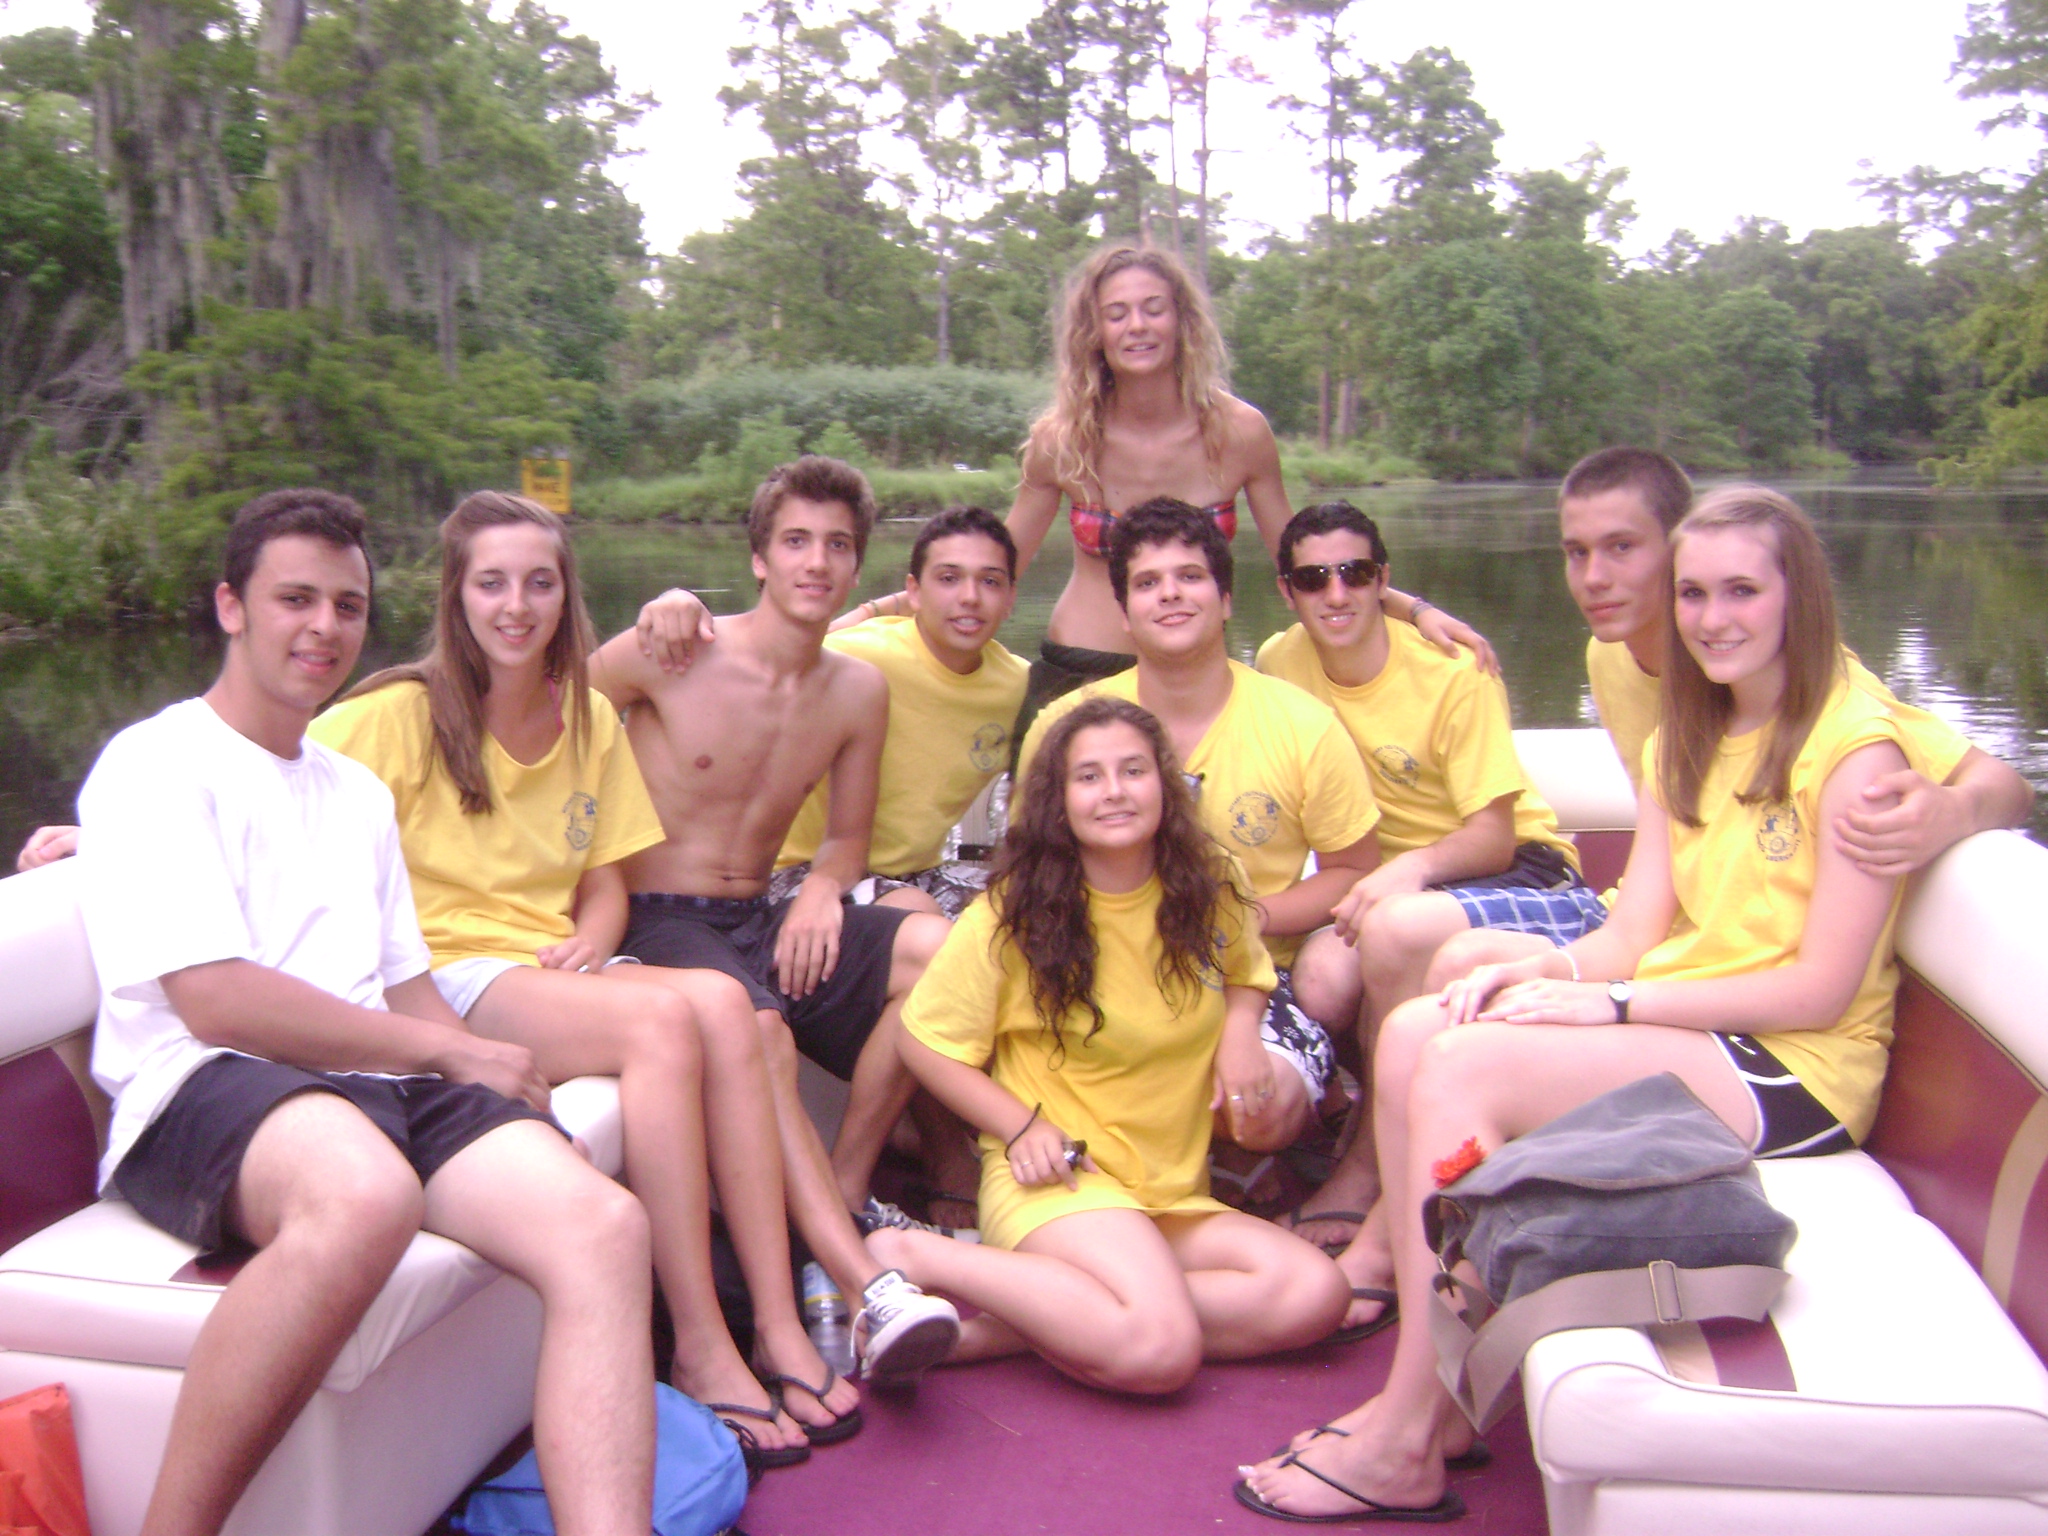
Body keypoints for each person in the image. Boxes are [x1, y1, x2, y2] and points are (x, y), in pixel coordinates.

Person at [1238, 486, 1922, 1522]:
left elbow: (1819, 987)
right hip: (1696, 1022)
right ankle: (1441, 1394)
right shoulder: (1685, 735)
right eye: (1692, 593)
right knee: (1425, 1027)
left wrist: (1611, 1006)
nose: (1711, 618)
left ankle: (1409, 1429)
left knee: (1462, 1066)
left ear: (1799, 597)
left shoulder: (1855, 751)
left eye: (1741, 591)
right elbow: (1628, 930)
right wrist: (1547, 974)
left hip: (1796, 1066)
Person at [72, 489, 654, 1536]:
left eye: (347, 606)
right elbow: (217, 1001)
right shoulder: (158, 764)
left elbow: (402, 983)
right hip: (198, 1084)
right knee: (365, 1195)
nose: (325, 627)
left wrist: (486, 1068)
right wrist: (445, 1049)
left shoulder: (353, 791)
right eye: (295, 599)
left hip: (371, 1082)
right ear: (231, 606)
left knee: (602, 1225)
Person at [307, 491, 852, 1461]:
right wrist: (103, 835)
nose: (515, 606)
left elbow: (605, 881)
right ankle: (699, 1344)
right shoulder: (396, 716)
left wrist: (595, 941)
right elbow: (266, 781)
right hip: (446, 972)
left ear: (566, 595)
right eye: (491, 584)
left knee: (726, 1006)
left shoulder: (591, 718)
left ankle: (775, 1324)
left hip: (548, 963)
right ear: (456, 596)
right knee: (660, 1025)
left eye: (538, 583)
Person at [587, 455, 962, 1382]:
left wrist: (827, 891)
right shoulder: (672, 650)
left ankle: (848, 1180)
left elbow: (847, 840)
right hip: (655, 920)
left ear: (858, 563)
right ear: (759, 558)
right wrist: (663, 602)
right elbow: (542, 728)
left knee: (945, 956)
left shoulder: (858, 690)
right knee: (758, 1031)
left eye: (837, 545)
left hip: (764, 914)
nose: (816, 562)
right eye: (795, 541)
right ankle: (865, 1281)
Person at [867, 695, 1350, 1390]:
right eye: (1089, 777)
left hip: (1169, 1189)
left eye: (1134, 770)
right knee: (1160, 1353)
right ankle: (917, 1255)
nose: (1115, 791)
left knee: (1315, 1294)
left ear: (1166, 785)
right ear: (1059, 802)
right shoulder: (1011, 914)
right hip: (1063, 1180)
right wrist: (1021, 1125)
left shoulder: (1211, 879)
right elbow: (926, 1044)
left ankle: (1017, 1331)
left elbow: (1248, 972)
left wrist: (1241, 1031)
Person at [1252, 502, 1607, 1268]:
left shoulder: (1452, 671)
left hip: (1523, 874)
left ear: (1382, 579)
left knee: (1391, 927)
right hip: (1400, 888)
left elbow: (1494, 835)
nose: (1336, 593)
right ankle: (1348, 1123)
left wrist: (1405, 871)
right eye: (1314, 578)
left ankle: (1367, 1171)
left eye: (1356, 573)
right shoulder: (1281, 661)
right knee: (1321, 977)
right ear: (1287, 591)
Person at [996, 243, 1497, 746]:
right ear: (1093, 332)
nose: (1137, 326)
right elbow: (997, 568)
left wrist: (1416, 611)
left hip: (1198, 684)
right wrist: (942, 631)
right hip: (1084, 670)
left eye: (1154, 309)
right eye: (1116, 314)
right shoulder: (1062, 440)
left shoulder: (1240, 432)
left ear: (1182, 321)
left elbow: (1305, 567)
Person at [1017, 499, 1383, 1156]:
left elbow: (1354, 872)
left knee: (1258, 1112)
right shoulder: (1066, 727)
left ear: (1226, 599)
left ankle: (1289, 1133)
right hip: (1103, 965)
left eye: (1189, 576)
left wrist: (1240, 920)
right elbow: (1029, 872)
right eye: (1148, 583)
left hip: (1255, 973)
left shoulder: (1302, 725)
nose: (1170, 595)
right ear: (1124, 613)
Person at [1562, 446, 2032, 864]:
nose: (1594, 577)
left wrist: (1954, 810)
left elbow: (2007, 786)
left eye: (1621, 547)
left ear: (1681, 547)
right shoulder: (1607, 656)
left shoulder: (1804, 676)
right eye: (1577, 552)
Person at [640, 505, 1028, 922]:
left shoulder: (1018, 685)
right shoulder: (858, 656)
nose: (970, 597)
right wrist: (677, 603)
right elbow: (753, 651)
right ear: (914, 592)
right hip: (803, 873)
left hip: (920, 875)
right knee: (919, 917)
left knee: (1021, 915)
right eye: (948, 579)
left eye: (990, 582)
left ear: (1010, 598)